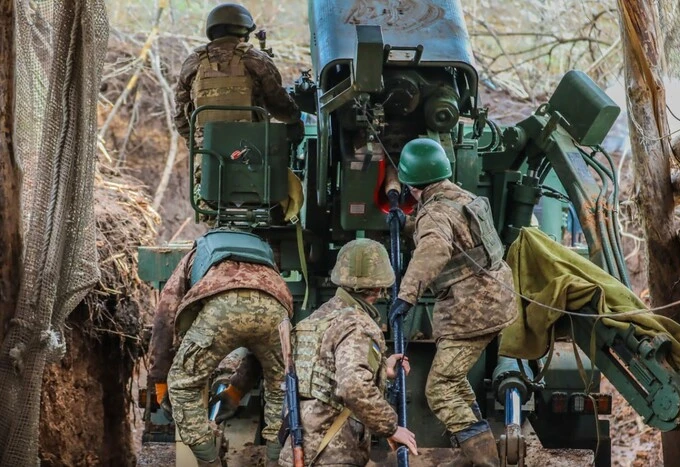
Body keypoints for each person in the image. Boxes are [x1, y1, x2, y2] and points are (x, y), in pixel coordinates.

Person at [388, 138, 517, 467]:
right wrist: (405, 223)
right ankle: (476, 449)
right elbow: (451, 229)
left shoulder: (432, 213)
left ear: (410, 184)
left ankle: (487, 462)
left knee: (440, 389)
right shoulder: (461, 196)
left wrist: (406, 296)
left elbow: (435, 246)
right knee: (453, 379)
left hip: (473, 310)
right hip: (496, 297)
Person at [147, 229, 293, 467]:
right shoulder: (264, 255)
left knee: (183, 386)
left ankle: (209, 463)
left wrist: (161, 381)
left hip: (222, 307)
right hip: (275, 308)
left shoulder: (198, 251)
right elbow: (259, 344)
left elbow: (166, 316)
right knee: (281, 389)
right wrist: (236, 390)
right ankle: (276, 462)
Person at [278, 239, 419, 467]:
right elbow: (353, 385)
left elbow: (324, 373)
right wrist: (391, 427)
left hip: (298, 448)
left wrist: (382, 369)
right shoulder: (357, 323)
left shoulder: (318, 318)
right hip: (331, 453)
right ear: (379, 286)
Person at [174, 3, 303, 144]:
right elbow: (280, 104)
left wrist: (196, 146)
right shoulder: (256, 58)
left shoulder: (193, 61)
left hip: (208, 154)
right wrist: (295, 117)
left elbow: (181, 116)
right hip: (253, 151)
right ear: (243, 30)